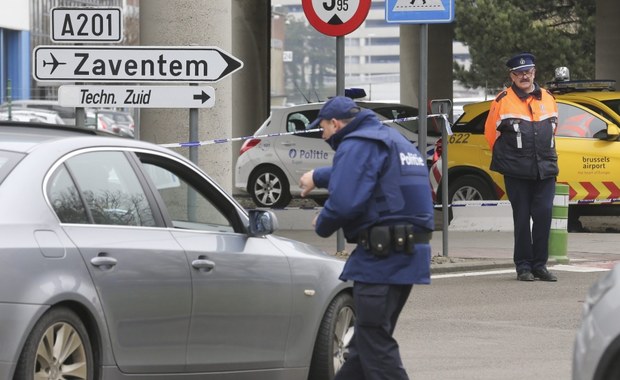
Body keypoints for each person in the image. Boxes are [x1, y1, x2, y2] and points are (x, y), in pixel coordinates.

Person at [299, 96, 434, 379]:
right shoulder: (390, 139)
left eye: (322, 128)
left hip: (381, 259)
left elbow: (346, 200)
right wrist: (318, 176)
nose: (322, 136)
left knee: (375, 344)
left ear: (335, 124)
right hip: (406, 254)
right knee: (363, 348)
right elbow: (365, 173)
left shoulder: (357, 143)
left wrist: (322, 221)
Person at [484, 52, 559, 282]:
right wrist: (512, 158)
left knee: (544, 216)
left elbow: (553, 129)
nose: (524, 76)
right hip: (517, 171)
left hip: (544, 169)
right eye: (519, 73)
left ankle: (540, 265)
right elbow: (491, 135)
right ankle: (524, 266)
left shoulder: (547, 97)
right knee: (522, 218)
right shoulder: (502, 100)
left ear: (534, 72)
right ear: (512, 76)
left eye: (528, 72)